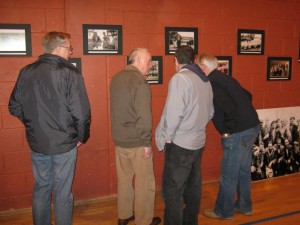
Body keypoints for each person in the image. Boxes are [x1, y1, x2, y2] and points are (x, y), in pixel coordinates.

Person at [8, 31, 91, 225]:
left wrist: (33, 125)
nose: (71, 52)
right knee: (63, 192)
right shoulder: (70, 72)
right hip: (64, 144)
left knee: (41, 188)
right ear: (59, 48)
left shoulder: (26, 71)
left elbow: (14, 106)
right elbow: (81, 112)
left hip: (37, 143)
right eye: (69, 48)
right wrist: (82, 137)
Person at [155, 46, 214, 225]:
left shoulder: (180, 78)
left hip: (180, 144)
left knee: (173, 192)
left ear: (176, 60)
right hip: (198, 143)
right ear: (194, 60)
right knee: (193, 189)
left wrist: (167, 136)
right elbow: (211, 112)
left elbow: (174, 114)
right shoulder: (204, 80)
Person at [198, 53, 260, 220]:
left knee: (228, 173)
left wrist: (228, 131)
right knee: (243, 171)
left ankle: (223, 211)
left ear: (204, 67)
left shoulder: (212, 83)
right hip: (252, 126)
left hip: (238, 132)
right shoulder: (226, 79)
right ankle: (244, 206)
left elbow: (230, 109)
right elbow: (248, 95)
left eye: (198, 67)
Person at [110, 48, 161, 225]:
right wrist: (146, 142)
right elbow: (144, 115)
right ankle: (144, 221)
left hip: (120, 140)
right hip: (138, 142)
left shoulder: (116, 78)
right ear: (138, 61)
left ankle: (123, 216)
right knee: (145, 184)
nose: (150, 66)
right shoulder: (140, 82)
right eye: (149, 62)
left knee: (124, 180)